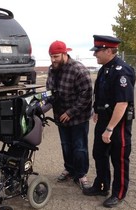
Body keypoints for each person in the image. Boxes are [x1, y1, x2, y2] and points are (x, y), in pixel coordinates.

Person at [82, 35, 136, 208]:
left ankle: (118, 193)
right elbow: (100, 93)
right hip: (103, 119)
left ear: (108, 50)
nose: (94, 55)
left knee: (118, 159)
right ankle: (101, 185)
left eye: (97, 51)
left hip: (117, 123)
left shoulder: (122, 71)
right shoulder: (104, 69)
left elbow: (122, 102)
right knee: (99, 154)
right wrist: (97, 111)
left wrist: (110, 128)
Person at [46, 40, 93, 190]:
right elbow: (49, 91)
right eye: (51, 57)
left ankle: (81, 175)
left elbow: (86, 95)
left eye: (56, 56)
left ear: (65, 54)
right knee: (66, 145)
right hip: (61, 117)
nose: (53, 60)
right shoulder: (52, 69)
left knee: (79, 147)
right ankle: (70, 169)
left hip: (78, 117)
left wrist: (70, 112)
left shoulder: (78, 70)